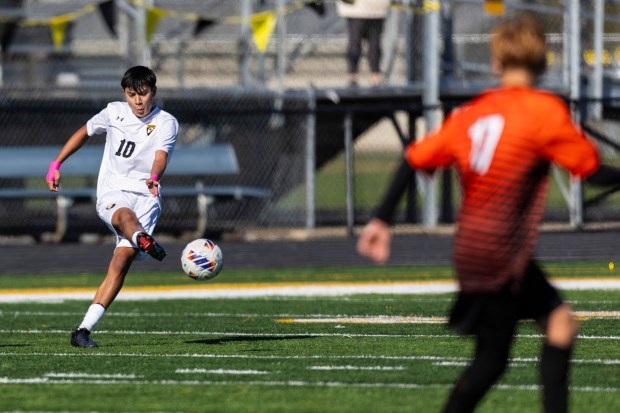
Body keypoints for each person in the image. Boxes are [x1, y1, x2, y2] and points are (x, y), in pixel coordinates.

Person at [356, 14, 599, 413]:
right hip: (502, 246)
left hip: (471, 246)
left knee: (526, 341)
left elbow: (414, 157)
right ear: (544, 62)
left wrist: (382, 218)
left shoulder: (471, 113)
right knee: (521, 344)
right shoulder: (543, 110)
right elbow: (590, 169)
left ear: (496, 64)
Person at [45, 65, 178, 348]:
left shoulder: (166, 122)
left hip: (146, 196)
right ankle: (142, 239)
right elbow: (83, 132)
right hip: (113, 191)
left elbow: (160, 156)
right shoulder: (113, 112)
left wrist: (154, 178)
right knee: (124, 216)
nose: (138, 101)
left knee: (120, 263)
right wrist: (56, 164)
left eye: (143, 94)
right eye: (132, 95)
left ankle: (82, 330)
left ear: (153, 91)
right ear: (124, 94)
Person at [336, 0, 390, 87]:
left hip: (376, 9)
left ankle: (375, 78)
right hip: (356, 10)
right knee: (356, 44)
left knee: (373, 46)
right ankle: (354, 78)